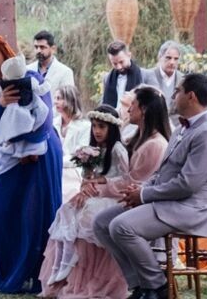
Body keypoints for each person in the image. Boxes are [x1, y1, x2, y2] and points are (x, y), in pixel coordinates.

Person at [91, 73, 207, 299]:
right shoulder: (182, 128)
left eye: (178, 91)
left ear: (190, 96)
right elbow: (163, 171)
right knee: (102, 222)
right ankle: (140, 285)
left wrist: (144, 194)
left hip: (191, 208)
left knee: (121, 227)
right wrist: (141, 190)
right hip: (168, 200)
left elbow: (187, 185)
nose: (174, 95)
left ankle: (157, 286)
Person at [47, 87, 171, 299]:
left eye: (132, 106)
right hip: (129, 196)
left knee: (97, 217)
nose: (127, 110)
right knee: (76, 210)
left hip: (143, 202)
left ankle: (150, 283)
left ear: (144, 110)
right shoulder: (137, 137)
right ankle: (134, 283)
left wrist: (101, 186)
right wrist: (91, 185)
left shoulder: (154, 144)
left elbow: (133, 182)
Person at [0, 36, 65, 293]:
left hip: (42, 150)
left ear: (5, 53)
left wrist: (32, 145)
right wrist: (0, 105)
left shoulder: (31, 77)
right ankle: (6, 272)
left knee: (37, 213)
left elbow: (46, 114)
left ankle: (37, 275)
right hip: (10, 154)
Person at [38, 108, 130, 296]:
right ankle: (60, 264)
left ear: (111, 128)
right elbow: (88, 178)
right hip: (94, 195)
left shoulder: (118, 149)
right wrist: (85, 185)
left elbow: (125, 180)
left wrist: (103, 182)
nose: (97, 131)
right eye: (95, 126)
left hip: (111, 198)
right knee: (65, 209)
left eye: (102, 127)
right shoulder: (94, 150)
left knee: (85, 212)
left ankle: (70, 261)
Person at [101, 41, 146, 109]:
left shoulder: (144, 75)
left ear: (129, 56)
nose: (119, 67)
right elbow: (103, 103)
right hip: (113, 118)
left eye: (121, 62)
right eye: (114, 64)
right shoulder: (107, 78)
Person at [33, 31, 77, 99]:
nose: (38, 50)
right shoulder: (27, 70)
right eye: (36, 47)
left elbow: (68, 101)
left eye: (42, 47)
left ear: (53, 49)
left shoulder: (65, 72)